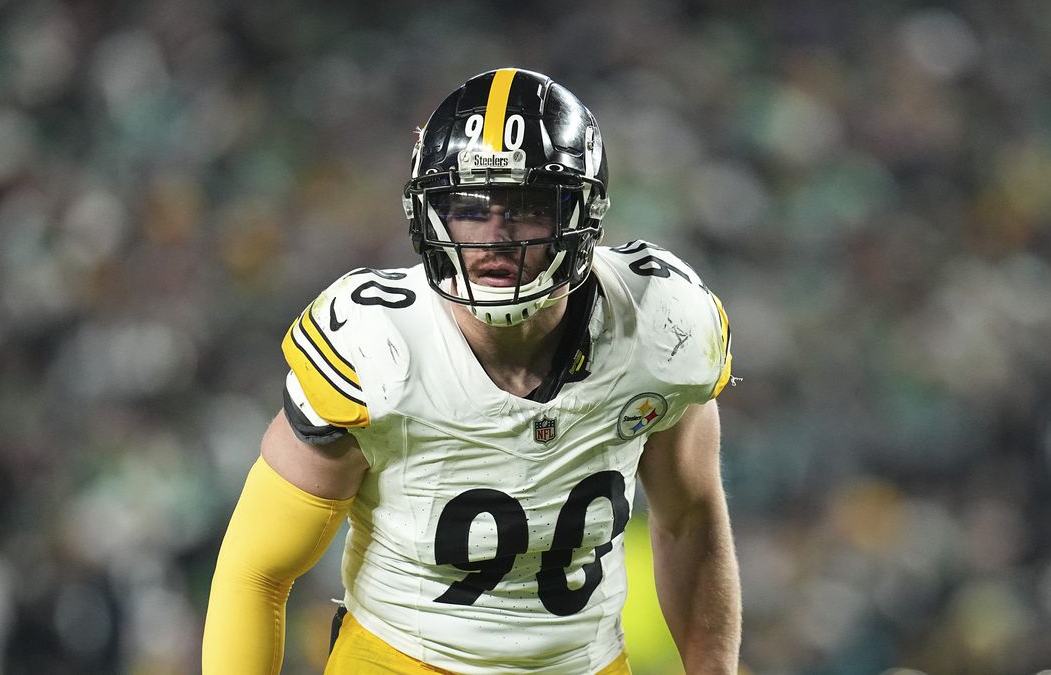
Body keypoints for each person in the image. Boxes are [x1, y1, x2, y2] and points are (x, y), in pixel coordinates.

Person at [203, 67, 741, 675]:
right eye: (468, 207)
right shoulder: (378, 349)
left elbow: (689, 520)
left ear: (582, 214)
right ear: (430, 213)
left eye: (528, 209)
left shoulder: (658, 328)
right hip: (400, 659)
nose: (495, 237)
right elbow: (256, 569)